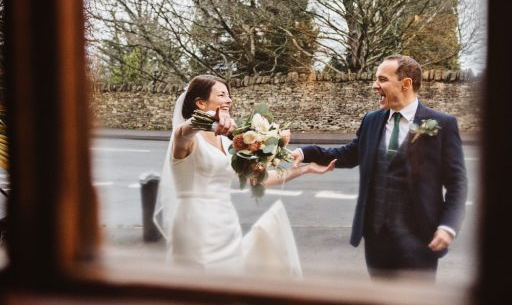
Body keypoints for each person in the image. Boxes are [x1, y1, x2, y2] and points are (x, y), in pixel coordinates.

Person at [293, 55, 467, 277]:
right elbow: (348, 153)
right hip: (376, 239)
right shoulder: (371, 120)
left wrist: (448, 226)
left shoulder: (442, 124)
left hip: (420, 241)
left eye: (382, 79)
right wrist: (305, 152)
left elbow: (457, 183)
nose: (375, 85)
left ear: (406, 84)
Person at [153, 75, 334, 274]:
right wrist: (207, 120)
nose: (229, 100)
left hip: (226, 223)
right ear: (200, 102)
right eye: (221, 95)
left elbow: (258, 180)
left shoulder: (227, 142)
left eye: (229, 95)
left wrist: (305, 169)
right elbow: (184, 131)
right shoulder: (185, 139)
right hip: (194, 223)